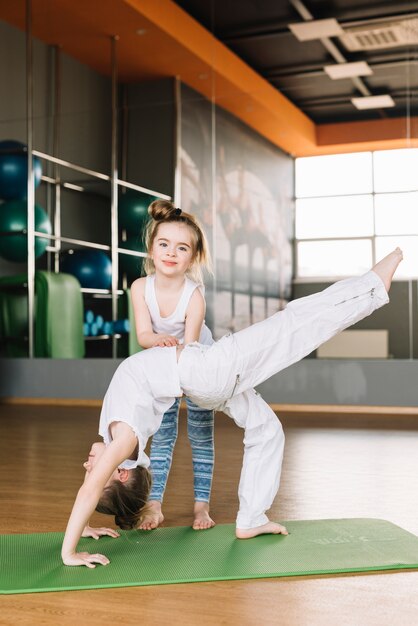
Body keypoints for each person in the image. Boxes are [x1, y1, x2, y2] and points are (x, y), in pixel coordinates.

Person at [61, 247, 403, 568]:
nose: (86, 464)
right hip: (207, 371)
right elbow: (90, 490)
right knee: (289, 326)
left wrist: (87, 526)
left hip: (202, 382)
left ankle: (252, 518)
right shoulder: (123, 439)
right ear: (118, 472)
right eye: (93, 469)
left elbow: (94, 490)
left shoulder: (118, 435)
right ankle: (373, 287)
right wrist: (70, 551)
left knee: (266, 429)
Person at [130, 200, 216, 531]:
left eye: (182, 248)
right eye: (164, 244)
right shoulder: (140, 287)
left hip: (198, 363)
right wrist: (161, 343)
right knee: (163, 435)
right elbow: (143, 335)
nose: (171, 253)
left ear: (192, 258)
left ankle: (200, 507)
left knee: (200, 434)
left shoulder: (194, 294)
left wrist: (174, 360)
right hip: (164, 362)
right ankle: (154, 505)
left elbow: (191, 347)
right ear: (152, 249)